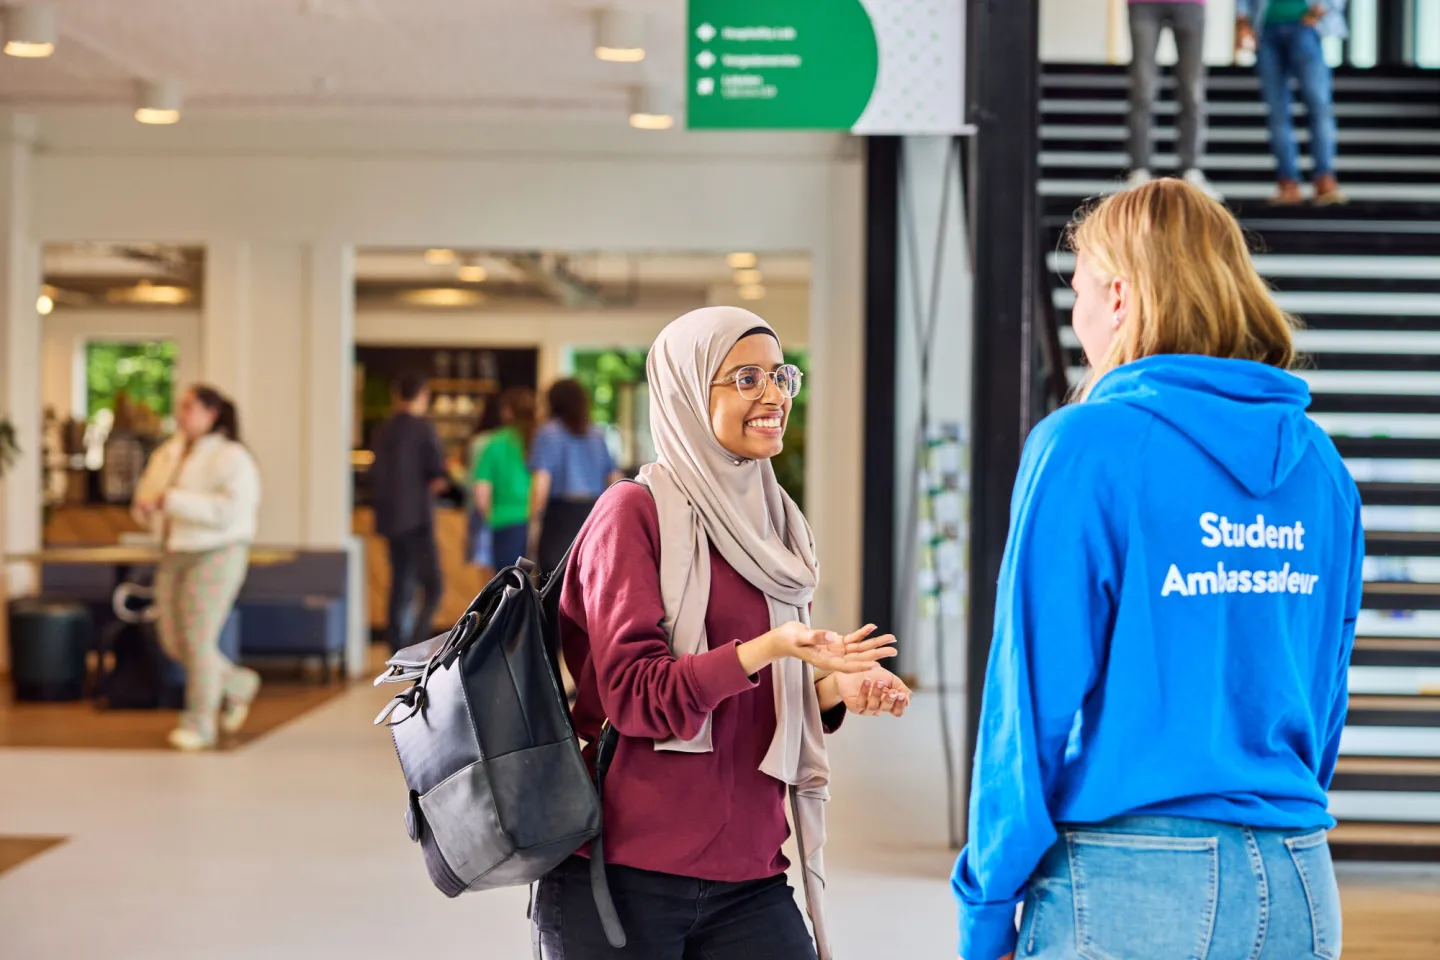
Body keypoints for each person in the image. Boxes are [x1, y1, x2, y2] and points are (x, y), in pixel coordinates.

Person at [951, 180, 1362, 960]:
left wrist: (986, 905)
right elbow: (1324, 692)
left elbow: (1029, 695)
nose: (1076, 319)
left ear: (1119, 294)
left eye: (1077, 289)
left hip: (1133, 875)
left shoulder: (1086, 445)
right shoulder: (1322, 466)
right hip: (1299, 876)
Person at [533, 307, 912, 960]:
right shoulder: (632, 514)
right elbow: (634, 694)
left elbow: (765, 696)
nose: (772, 395)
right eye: (744, 378)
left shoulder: (777, 528)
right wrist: (770, 649)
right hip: (625, 874)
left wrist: (833, 687)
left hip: (750, 869)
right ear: (686, 389)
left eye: (779, 376)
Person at [132, 385, 263, 752]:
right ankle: (237, 684)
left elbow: (230, 511)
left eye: (190, 407)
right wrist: (145, 509)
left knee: (198, 639)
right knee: (173, 640)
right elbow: (148, 497)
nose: (182, 414)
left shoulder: (231, 457)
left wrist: (174, 502)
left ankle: (199, 724)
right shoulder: (167, 453)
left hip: (217, 552)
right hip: (174, 552)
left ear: (212, 413)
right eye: (180, 406)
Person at [1236, 0, 1349, 205]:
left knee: (1318, 104)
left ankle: (1325, 179)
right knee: (1277, 110)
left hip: (1304, 25)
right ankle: (1288, 183)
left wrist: (1321, 9)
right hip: (1266, 27)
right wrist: (1242, 20)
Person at [370, 372, 447, 653]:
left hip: (389, 519)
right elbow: (437, 476)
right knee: (433, 585)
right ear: (423, 395)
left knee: (400, 583)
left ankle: (396, 647)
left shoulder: (384, 429)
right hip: (417, 519)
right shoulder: (423, 429)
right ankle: (416, 644)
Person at [530, 378, 623, 576]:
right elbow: (615, 478)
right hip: (593, 514)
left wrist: (534, 521)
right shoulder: (597, 434)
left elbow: (541, 483)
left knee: (554, 581)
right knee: (587, 578)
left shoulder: (548, 432)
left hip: (560, 517)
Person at [1126, 0, 1215, 196]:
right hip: (1143, 4)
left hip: (1190, 4)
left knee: (1192, 91)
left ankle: (1191, 169)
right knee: (1142, 90)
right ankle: (1139, 170)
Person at [473, 386, 537, 569]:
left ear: (507, 411)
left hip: (503, 522)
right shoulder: (538, 440)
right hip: (535, 522)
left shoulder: (495, 442)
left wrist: (489, 515)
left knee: (507, 585)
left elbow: (481, 491)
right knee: (533, 586)